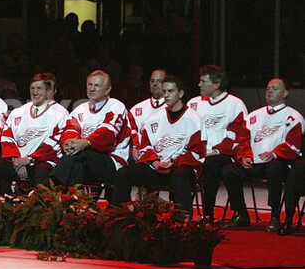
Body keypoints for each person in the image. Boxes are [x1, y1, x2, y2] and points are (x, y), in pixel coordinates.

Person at [110, 75, 206, 214]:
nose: (166, 95)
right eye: (164, 91)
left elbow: (197, 152)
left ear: (181, 93)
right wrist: (155, 162)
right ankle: (119, 215)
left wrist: (173, 163)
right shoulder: (154, 119)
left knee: (180, 176)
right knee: (123, 173)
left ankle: (183, 220)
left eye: (170, 91)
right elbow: (145, 147)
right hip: (157, 167)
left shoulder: (194, 119)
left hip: (180, 167)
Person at [221, 78, 303, 232]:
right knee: (229, 171)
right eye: (268, 88)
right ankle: (241, 213)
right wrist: (245, 156)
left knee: (274, 168)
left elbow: (294, 146)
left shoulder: (293, 116)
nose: (270, 91)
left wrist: (274, 154)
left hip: (279, 163)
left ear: (285, 93)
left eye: (275, 89)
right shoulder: (254, 116)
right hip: (254, 162)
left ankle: (275, 216)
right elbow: (241, 140)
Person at [0, 72, 69, 199]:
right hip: (17, 161)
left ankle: (39, 208)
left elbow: (55, 143)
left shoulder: (60, 113)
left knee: (42, 171)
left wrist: (29, 159)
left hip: (41, 161)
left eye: (39, 88)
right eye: (32, 88)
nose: (35, 92)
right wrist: (16, 159)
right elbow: (7, 137)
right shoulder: (19, 111)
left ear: (48, 91)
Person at [187, 65, 250, 220]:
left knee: (210, 164)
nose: (199, 84)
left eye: (203, 81)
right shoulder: (193, 103)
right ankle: (180, 212)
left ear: (217, 84)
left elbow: (237, 135)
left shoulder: (235, 104)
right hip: (197, 153)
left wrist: (216, 151)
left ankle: (208, 215)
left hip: (224, 155)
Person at [51, 70, 130, 189]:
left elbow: (108, 135)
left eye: (96, 85)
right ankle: (75, 198)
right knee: (76, 164)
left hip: (111, 161)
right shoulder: (80, 109)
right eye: (89, 85)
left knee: (78, 155)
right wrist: (68, 143)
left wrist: (85, 142)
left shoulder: (116, 106)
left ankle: (49, 187)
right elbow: (70, 129)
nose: (92, 89)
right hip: (83, 159)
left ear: (107, 89)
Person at [127, 69, 167, 160]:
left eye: (159, 81)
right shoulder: (136, 110)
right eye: (152, 81)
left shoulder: (172, 108)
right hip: (141, 157)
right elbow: (132, 132)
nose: (155, 84)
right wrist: (134, 148)